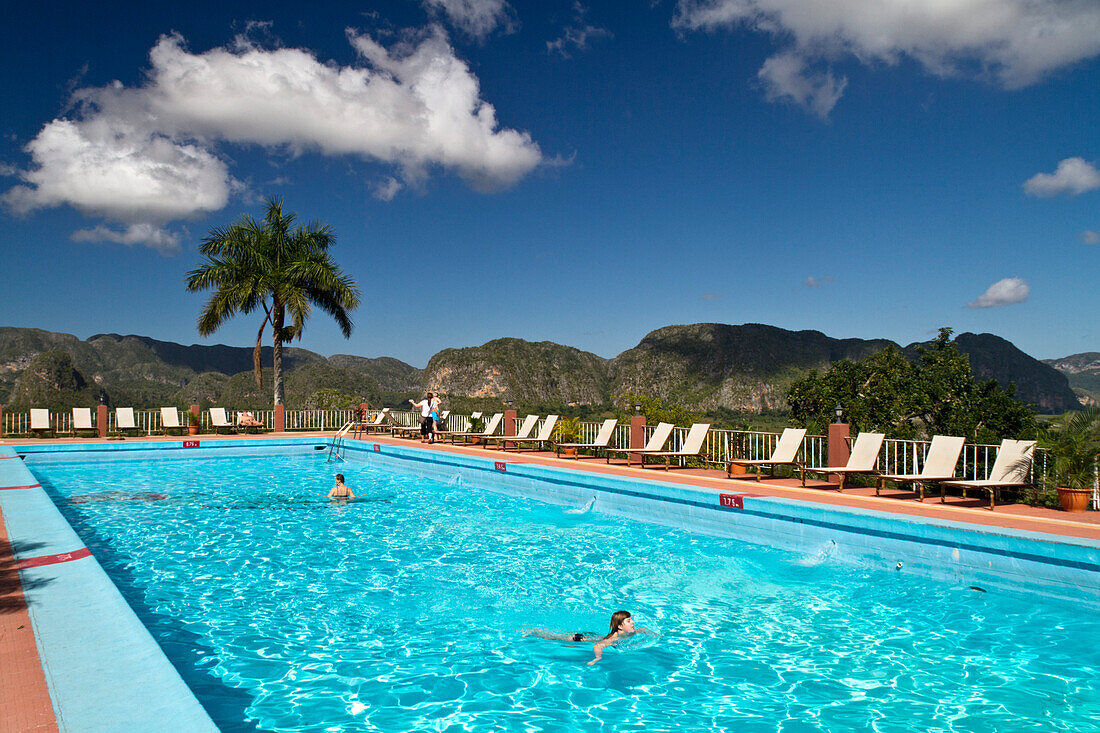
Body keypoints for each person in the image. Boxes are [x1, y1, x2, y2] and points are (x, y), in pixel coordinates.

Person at [521, 610, 655, 665]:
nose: (633, 623)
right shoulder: (614, 638)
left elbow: (643, 630)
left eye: (632, 620)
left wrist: (656, 636)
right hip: (580, 639)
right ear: (620, 627)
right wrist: (598, 658)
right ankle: (536, 632)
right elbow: (597, 646)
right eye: (629, 621)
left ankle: (537, 631)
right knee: (556, 637)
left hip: (593, 636)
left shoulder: (632, 632)